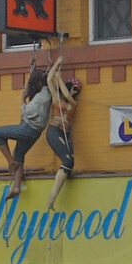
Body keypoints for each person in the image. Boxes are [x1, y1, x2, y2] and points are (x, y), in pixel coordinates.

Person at [0, 64, 52, 200]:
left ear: (37, 82)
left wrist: (22, 99)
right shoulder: (44, 92)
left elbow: (27, 111)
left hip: (28, 129)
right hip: (36, 131)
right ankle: (17, 187)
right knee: (19, 153)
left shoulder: (41, 97)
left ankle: (10, 162)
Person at [42, 60, 82, 209]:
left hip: (65, 132)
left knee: (69, 161)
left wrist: (59, 79)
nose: (74, 93)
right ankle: (52, 195)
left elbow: (66, 93)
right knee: (67, 160)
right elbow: (48, 79)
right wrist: (57, 64)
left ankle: (54, 193)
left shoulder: (72, 104)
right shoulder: (56, 98)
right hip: (54, 130)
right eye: (73, 89)